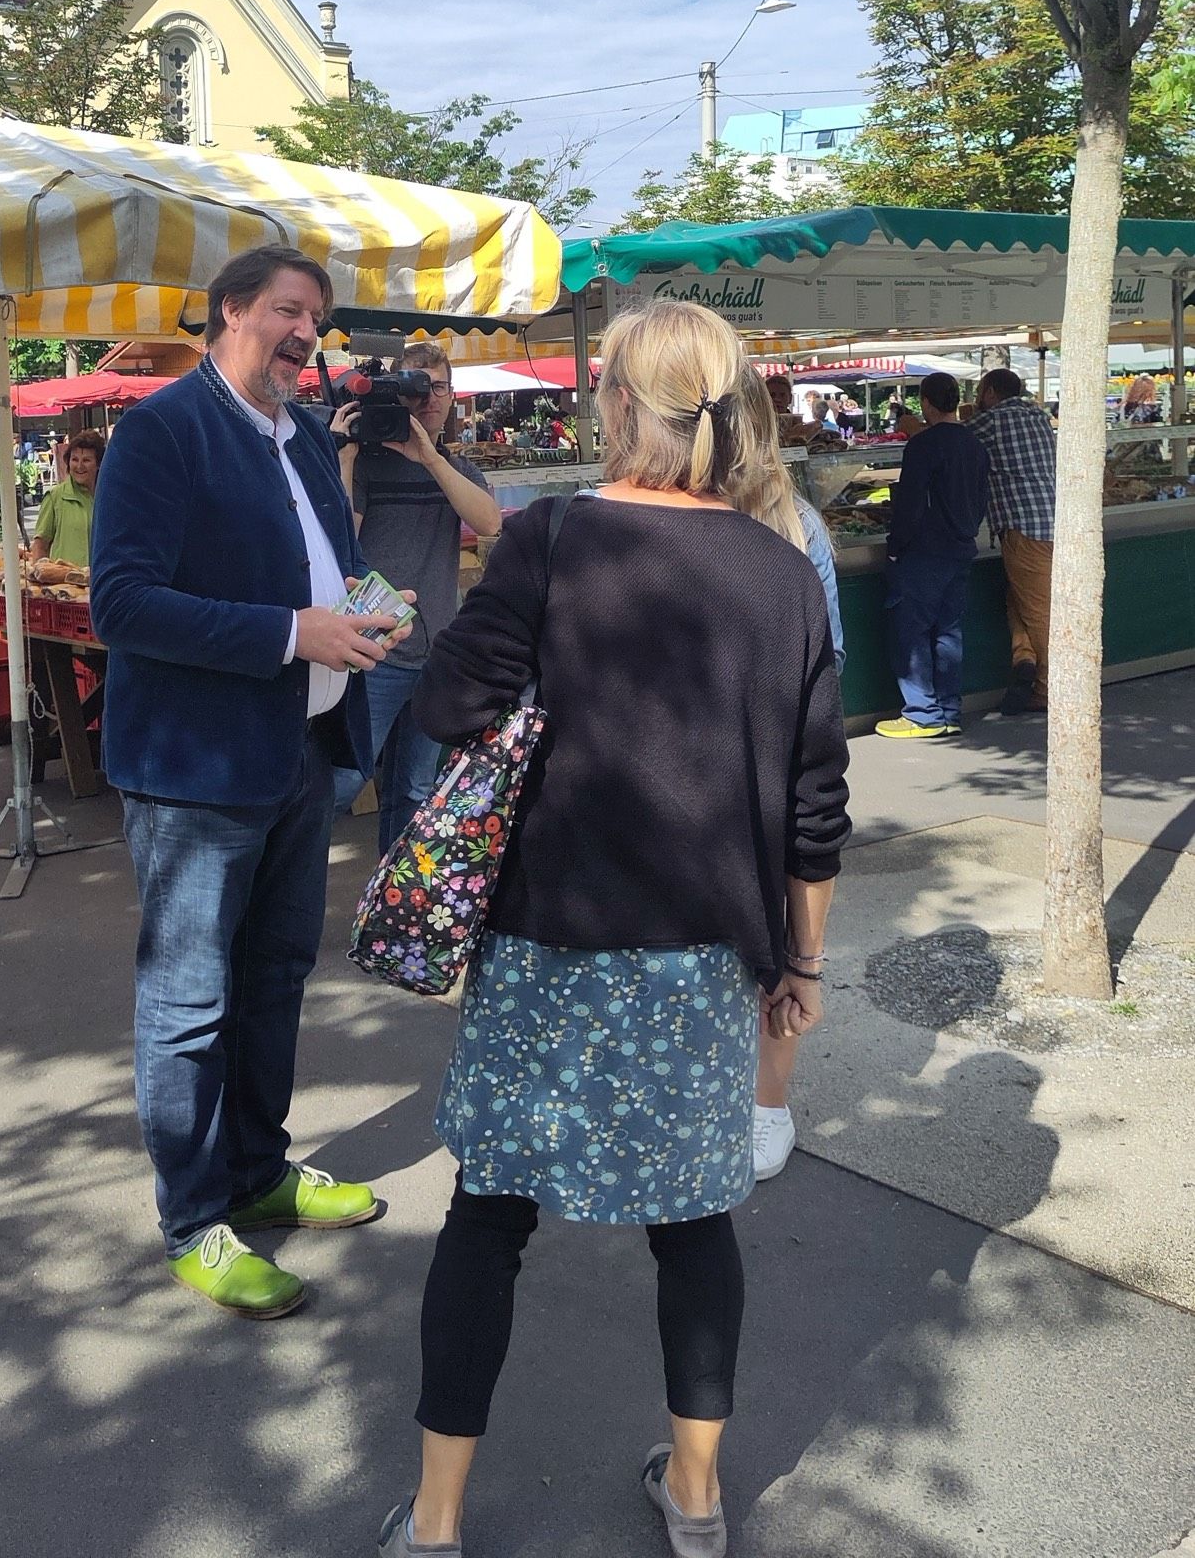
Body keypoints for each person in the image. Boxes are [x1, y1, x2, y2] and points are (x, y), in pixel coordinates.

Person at [378, 298, 850, 1558]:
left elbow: (446, 704)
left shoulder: (550, 540)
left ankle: (433, 1523)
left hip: (547, 942)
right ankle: (695, 1499)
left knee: (488, 1217)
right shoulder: (785, 567)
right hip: (706, 957)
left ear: (621, 405)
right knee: (695, 1224)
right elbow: (816, 807)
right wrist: (801, 962)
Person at [90, 245, 407, 1322]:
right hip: (195, 769)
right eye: (286, 309)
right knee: (188, 999)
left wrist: (363, 603)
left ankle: (260, 1167)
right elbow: (122, 603)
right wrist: (292, 631)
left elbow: (318, 566)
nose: (305, 331)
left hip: (299, 753)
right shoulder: (162, 430)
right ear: (228, 312)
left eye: (314, 317)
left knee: (275, 974)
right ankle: (194, 1218)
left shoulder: (305, 433)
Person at [727, 367, 847, 1182]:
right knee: (783, 941)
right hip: (781, 777)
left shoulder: (791, 524)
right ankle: (766, 1107)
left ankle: (763, 1106)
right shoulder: (797, 524)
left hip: (722, 783)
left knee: (757, 943)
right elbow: (831, 664)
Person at [330, 343, 502, 853]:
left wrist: (429, 456)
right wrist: (345, 456)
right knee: (343, 782)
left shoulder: (453, 468)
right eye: (415, 388)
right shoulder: (366, 465)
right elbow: (340, 541)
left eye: (438, 388)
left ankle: (393, 909)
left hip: (435, 656)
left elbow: (489, 521)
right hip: (374, 653)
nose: (428, 400)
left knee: (415, 791)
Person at [875, 372, 989, 742]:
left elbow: (909, 503)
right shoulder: (974, 443)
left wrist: (895, 547)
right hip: (960, 547)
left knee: (912, 632)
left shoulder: (923, 445)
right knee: (948, 631)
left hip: (924, 551)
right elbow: (982, 497)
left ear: (925, 402)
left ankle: (922, 713)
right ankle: (949, 711)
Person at [967, 368, 1058, 716]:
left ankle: (1048, 688)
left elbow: (950, 437)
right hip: (1051, 520)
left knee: (1038, 611)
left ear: (990, 392)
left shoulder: (991, 422)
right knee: (1017, 599)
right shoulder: (1037, 415)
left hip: (1023, 527)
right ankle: (1025, 658)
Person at [29, 429, 103, 568]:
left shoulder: (107, 498)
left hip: (100, 584)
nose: (79, 466)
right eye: (74, 459)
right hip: (63, 586)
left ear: (98, 464)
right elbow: (40, 546)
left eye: (86, 460)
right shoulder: (55, 497)